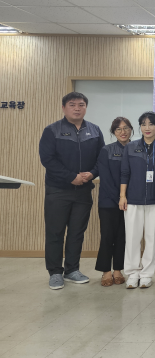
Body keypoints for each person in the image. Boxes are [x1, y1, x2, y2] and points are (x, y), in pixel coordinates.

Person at [39, 92, 105, 290]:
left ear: (86, 107)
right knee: (55, 232)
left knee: (77, 232)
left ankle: (72, 270)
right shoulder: (52, 130)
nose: (77, 108)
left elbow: (101, 159)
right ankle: (55, 272)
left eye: (81, 104)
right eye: (72, 104)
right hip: (58, 190)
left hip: (83, 191)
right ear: (63, 108)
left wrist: (92, 174)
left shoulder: (94, 130)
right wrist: (71, 177)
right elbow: (47, 159)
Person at [120, 111, 155, 289]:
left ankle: (147, 274)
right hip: (133, 199)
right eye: (144, 124)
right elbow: (124, 173)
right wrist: (122, 196)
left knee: (152, 238)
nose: (147, 128)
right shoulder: (130, 147)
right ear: (139, 127)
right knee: (132, 238)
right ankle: (132, 273)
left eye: (151, 124)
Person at [95, 117, 132, 287]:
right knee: (108, 236)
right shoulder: (107, 150)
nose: (122, 132)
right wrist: (119, 198)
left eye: (125, 128)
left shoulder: (136, 149)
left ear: (131, 129)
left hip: (131, 202)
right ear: (113, 132)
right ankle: (106, 271)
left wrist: (127, 199)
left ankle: (118, 269)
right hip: (109, 202)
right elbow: (106, 179)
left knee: (123, 237)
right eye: (118, 129)